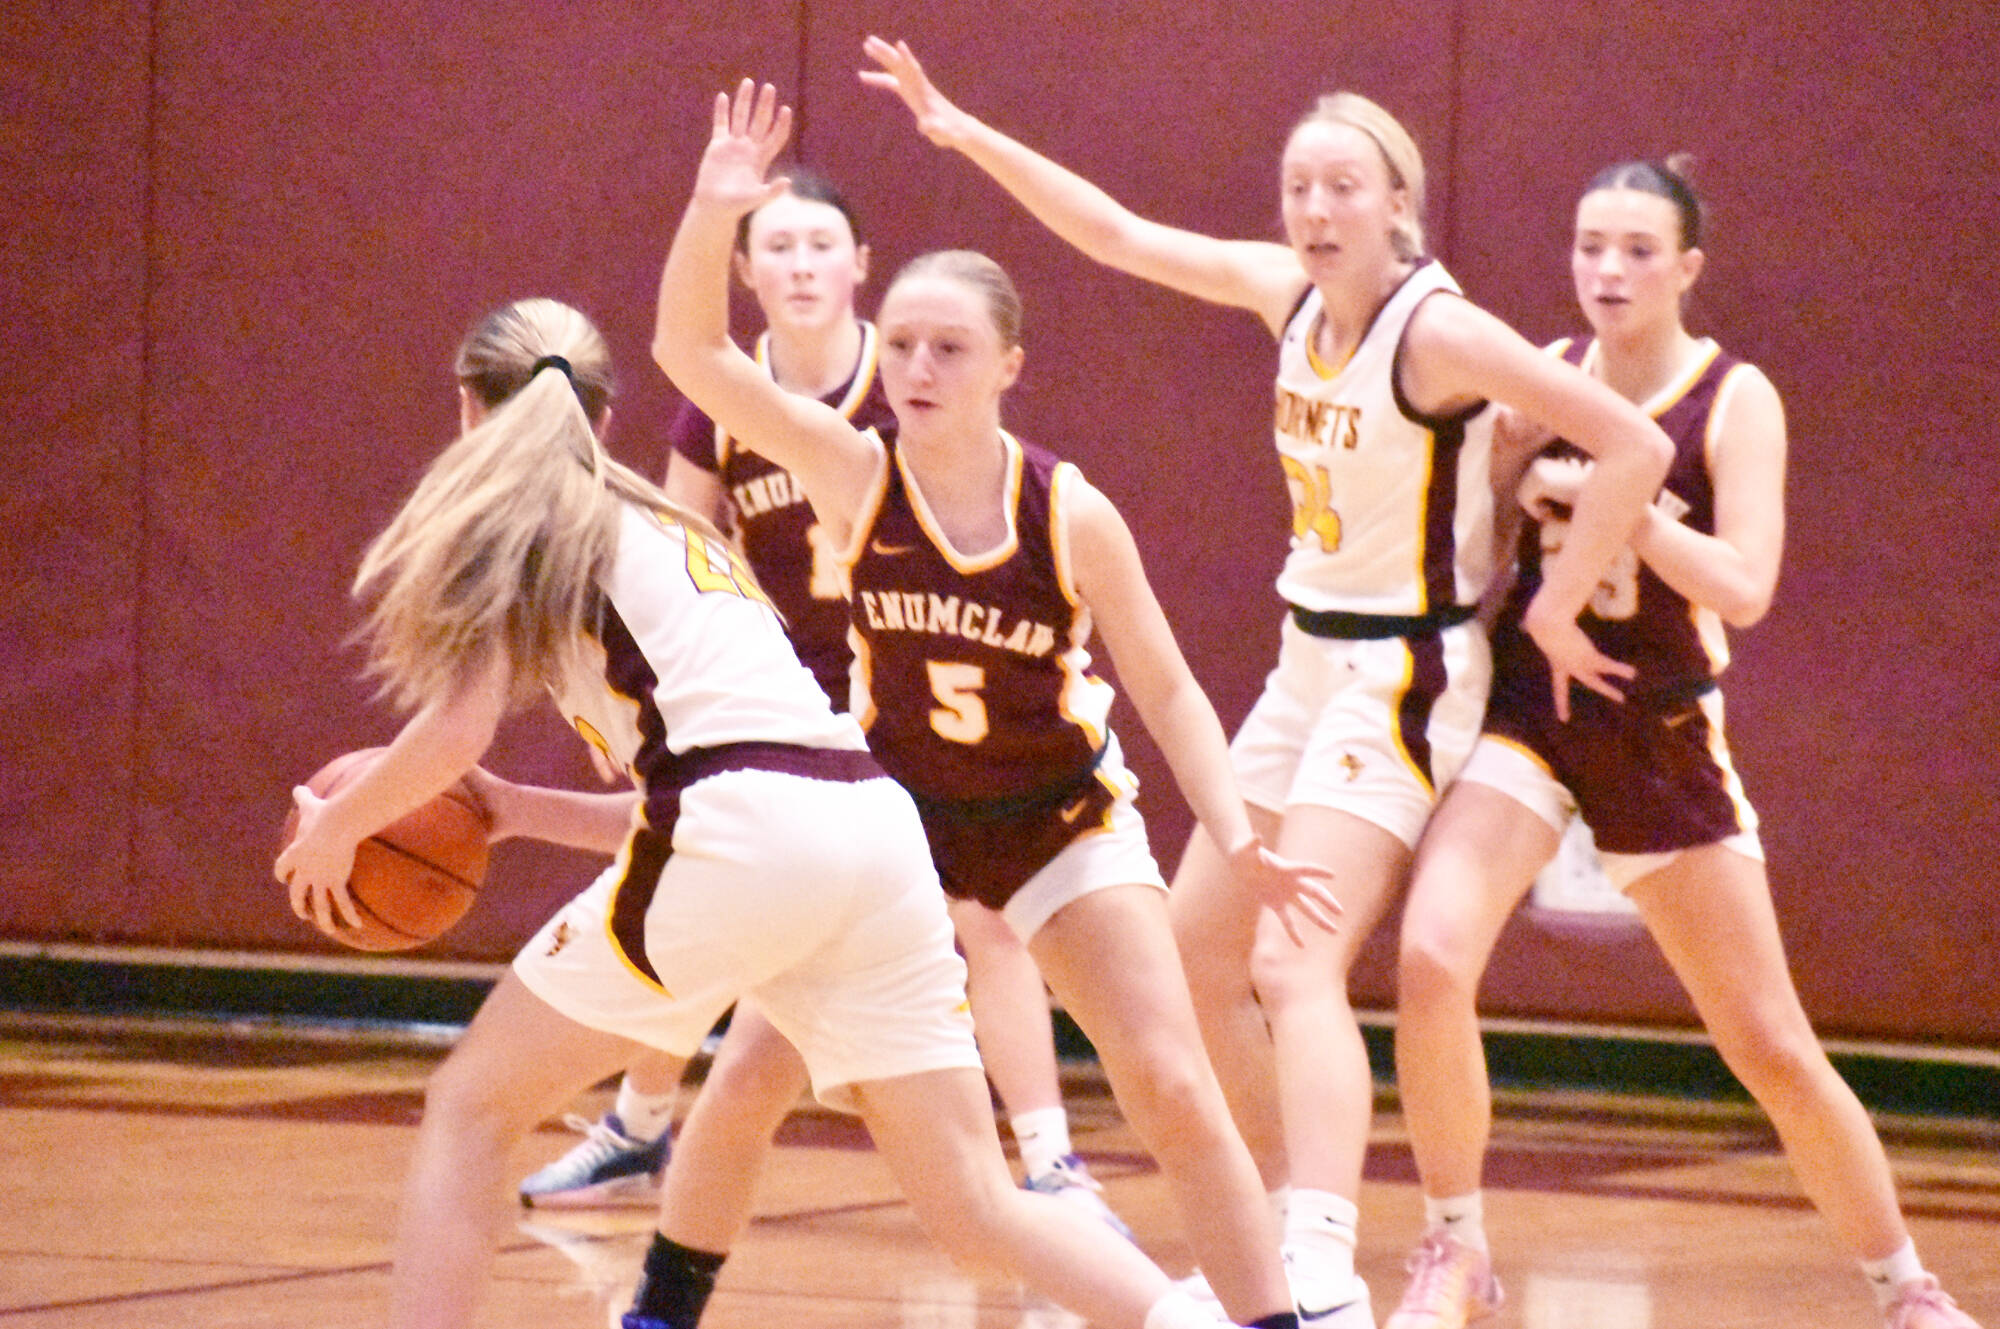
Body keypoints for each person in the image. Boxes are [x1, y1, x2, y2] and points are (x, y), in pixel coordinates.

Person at [860, 38, 1675, 1326]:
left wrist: (1555, 600)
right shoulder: (1279, 294)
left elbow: (1628, 441)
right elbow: (1116, 233)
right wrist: (963, 131)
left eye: (1342, 187)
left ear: (1398, 203)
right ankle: (1284, 1231)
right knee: (1194, 953)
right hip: (1306, 661)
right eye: (1297, 186)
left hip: (1405, 671)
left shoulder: (1441, 332)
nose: (1313, 210)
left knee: (1297, 965)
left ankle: (1317, 1243)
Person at [274, 292, 1234, 1329]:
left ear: (466, 410)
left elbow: (460, 732)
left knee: (469, 1106)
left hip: (741, 832)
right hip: (867, 831)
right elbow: (709, 792)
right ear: (600, 418)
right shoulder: (662, 523)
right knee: (974, 1206)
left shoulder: (522, 523)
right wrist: (508, 812)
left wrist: (336, 827)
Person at [651, 81, 1345, 1329]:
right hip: (899, 832)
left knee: (1172, 1086)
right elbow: (689, 357)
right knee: (753, 1066)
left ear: (1007, 366)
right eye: (902, 344)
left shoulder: (1068, 511)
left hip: (1057, 822)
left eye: (947, 348)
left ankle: (1272, 1323)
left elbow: (1170, 688)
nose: (913, 367)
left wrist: (1237, 834)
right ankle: (657, 1310)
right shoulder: (850, 472)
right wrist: (714, 211)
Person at [1385, 160, 1985, 1329]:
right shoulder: (1545, 376)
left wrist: (1634, 505)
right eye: (1587, 244)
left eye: (1636, 250)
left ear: (1685, 270)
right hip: (1532, 720)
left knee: (1769, 1046)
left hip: (1657, 740)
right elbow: (1476, 541)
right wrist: (1507, 469)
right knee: (1427, 957)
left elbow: (1745, 586)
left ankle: (1902, 1288)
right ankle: (1453, 1246)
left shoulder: (1734, 396)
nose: (1606, 271)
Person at [521, 167, 1121, 1232]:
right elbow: (675, 542)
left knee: (979, 919)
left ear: (860, 268)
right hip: (773, 704)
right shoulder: (724, 404)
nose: (799, 266)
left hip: (904, 691)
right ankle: (642, 1116)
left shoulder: (900, 390)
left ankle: (1048, 1159)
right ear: (743, 271)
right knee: (691, 893)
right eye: (778, 248)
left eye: (818, 246)